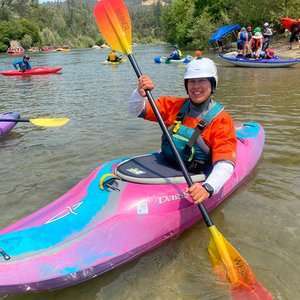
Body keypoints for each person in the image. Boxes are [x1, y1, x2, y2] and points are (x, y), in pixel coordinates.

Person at [129, 58, 236, 204]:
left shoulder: (222, 120)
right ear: (186, 85)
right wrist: (138, 92)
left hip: (197, 173)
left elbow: (225, 163)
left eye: (202, 80)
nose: (196, 86)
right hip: (167, 163)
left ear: (212, 83)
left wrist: (208, 188)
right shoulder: (173, 105)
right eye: (192, 81)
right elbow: (137, 111)